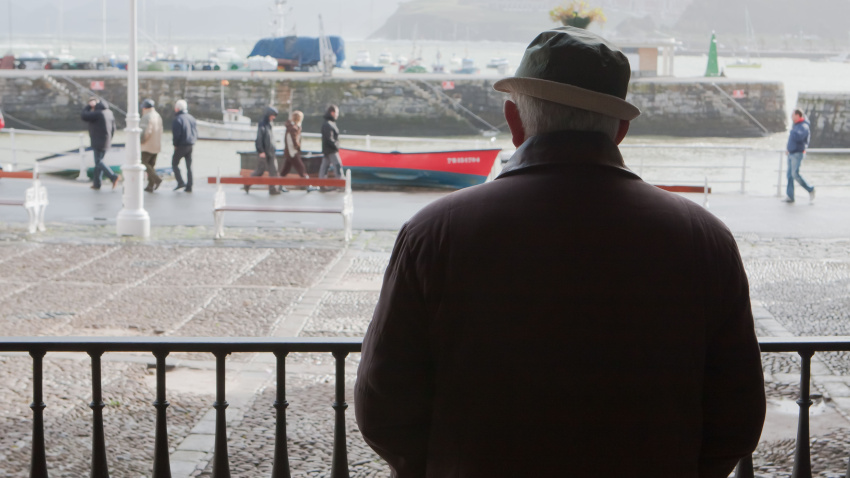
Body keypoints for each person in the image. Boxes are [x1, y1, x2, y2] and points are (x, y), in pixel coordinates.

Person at [355, 27, 765, 478]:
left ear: (514, 121)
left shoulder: (433, 233)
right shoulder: (704, 239)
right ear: (621, 130)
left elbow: (383, 405)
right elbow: (737, 416)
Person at [81, 96, 120, 190]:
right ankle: (97, 183)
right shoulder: (109, 113)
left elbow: (84, 116)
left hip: (98, 141)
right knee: (99, 162)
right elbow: (114, 128)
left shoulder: (98, 113)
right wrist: (110, 139)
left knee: (98, 162)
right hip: (107, 140)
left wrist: (88, 106)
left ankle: (113, 176)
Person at [280, 110, 318, 192]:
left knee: (284, 171)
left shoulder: (291, 127)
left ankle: (278, 185)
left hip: (289, 153)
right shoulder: (293, 129)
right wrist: (296, 150)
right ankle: (308, 185)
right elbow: (293, 142)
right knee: (301, 168)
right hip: (293, 153)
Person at [247, 106, 282, 195]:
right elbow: (259, 138)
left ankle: (273, 189)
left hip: (271, 151)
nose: (274, 117)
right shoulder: (262, 124)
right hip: (264, 152)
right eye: (272, 115)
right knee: (260, 171)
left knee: (274, 170)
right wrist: (261, 151)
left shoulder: (270, 124)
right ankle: (247, 183)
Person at [784, 109, 815, 203]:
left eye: (793, 115)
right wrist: (788, 149)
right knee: (789, 175)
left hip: (797, 153)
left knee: (795, 174)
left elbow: (799, 138)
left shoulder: (803, 126)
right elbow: (791, 140)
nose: (791, 117)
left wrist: (793, 132)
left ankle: (810, 189)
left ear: (798, 115)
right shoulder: (796, 125)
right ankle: (790, 196)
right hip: (791, 153)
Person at [171, 99, 197, 193]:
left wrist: (175, 144)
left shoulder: (178, 119)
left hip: (181, 145)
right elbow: (195, 131)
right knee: (189, 166)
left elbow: (176, 134)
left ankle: (180, 182)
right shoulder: (191, 118)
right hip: (190, 144)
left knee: (174, 163)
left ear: (177, 108)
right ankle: (189, 185)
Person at [139, 99, 163, 192]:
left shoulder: (146, 117)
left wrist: (140, 141)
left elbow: (145, 132)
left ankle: (157, 179)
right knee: (151, 165)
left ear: (144, 107)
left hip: (147, 145)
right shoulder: (158, 116)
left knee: (144, 163)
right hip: (156, 144)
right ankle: (150, 185)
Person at [319, 104, 343, 186]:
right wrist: (336, 146)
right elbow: (329, 138)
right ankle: (341, 183)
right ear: (332, 113)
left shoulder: (328, 123)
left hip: (328, 149)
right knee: (337, 166)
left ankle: (322, 184)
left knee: (324, 167)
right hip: (331, 150)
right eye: (337, 112)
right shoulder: (328, 124)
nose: (337, 115)